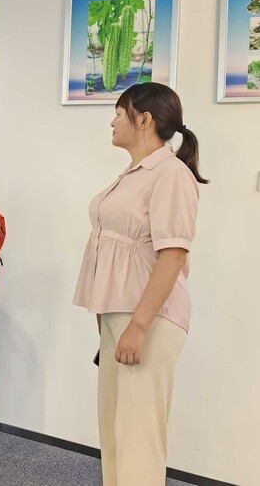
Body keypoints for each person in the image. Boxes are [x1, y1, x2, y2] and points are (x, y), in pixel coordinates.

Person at [73, 82, 207, 486]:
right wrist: (106, 315)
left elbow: (174, 255)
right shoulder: (135, 174)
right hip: (120, 316)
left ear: (144, 120)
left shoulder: (171, 174)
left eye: (119, 112)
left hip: (148, 320)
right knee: (115, 431)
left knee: (138, 437)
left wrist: (138, 326)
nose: (113, 121)